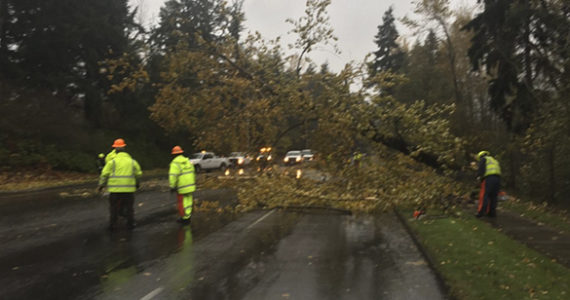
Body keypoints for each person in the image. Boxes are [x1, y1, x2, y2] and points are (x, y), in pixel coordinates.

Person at [98, 138, 142, 230]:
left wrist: (101, 185)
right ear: (124, 148)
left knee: (113, 208)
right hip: (129, 189)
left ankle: (113, 225)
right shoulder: (132, 161)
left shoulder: (111, 162)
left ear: (115, 150)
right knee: (129, 208)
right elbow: (138, 174)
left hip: (114, 190)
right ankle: (130, 224)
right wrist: (137, 183)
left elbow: (104, 174)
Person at [169, 146, 196, 225]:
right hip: (190, 185)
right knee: (189, 201)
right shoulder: (188, 161)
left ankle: (184, 218)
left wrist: (172, 186)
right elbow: (193, 172)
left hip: (181, 187)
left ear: (174, 155)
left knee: (182, 202)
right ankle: (188, 216)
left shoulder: (175, 163)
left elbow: (173, 176)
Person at [476, 150, 501, 218]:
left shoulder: (484, 159)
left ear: (480, 156)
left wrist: (478, 177)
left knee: (485, 195)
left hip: (489, 178)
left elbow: (481, 169)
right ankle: (492, 213)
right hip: (497, 179)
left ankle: (481, 212)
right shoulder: (494, 160)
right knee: (493, 196)